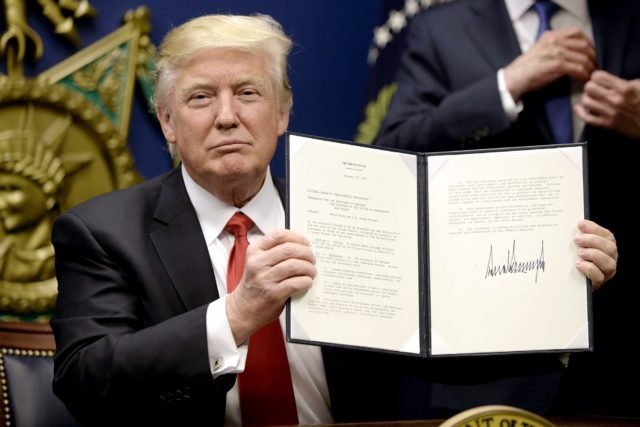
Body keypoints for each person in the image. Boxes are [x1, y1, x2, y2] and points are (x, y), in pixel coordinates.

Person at [50, 11, 618, 426]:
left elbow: (440, 349)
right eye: (201, 98)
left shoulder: (353, 209)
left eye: (248, 93)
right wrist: (236, 316)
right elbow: (84, 379)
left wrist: (556, 290)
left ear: (282, 113)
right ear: (168, 122)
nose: (227, 117)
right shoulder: (103, 232)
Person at [374, 0, 637, 418]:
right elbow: (394, 157)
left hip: (620, 346)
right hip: (487, 361)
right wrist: (505, 85)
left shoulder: (632, 18)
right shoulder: (440, 29)